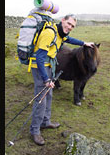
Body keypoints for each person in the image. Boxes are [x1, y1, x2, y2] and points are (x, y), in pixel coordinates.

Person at [29, 14, 94, 146]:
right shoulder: (49, 33)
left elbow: (68, 39)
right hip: (40, 67)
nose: (70, 27)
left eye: (72, 26)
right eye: (68, 24)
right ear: (63, 20)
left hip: (49, 66)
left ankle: (45, 122)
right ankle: (35, 131)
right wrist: (46, 78)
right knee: (41, 99)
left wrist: (83, 43)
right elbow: (39, 58)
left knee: (49, 96)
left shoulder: (60, 33)